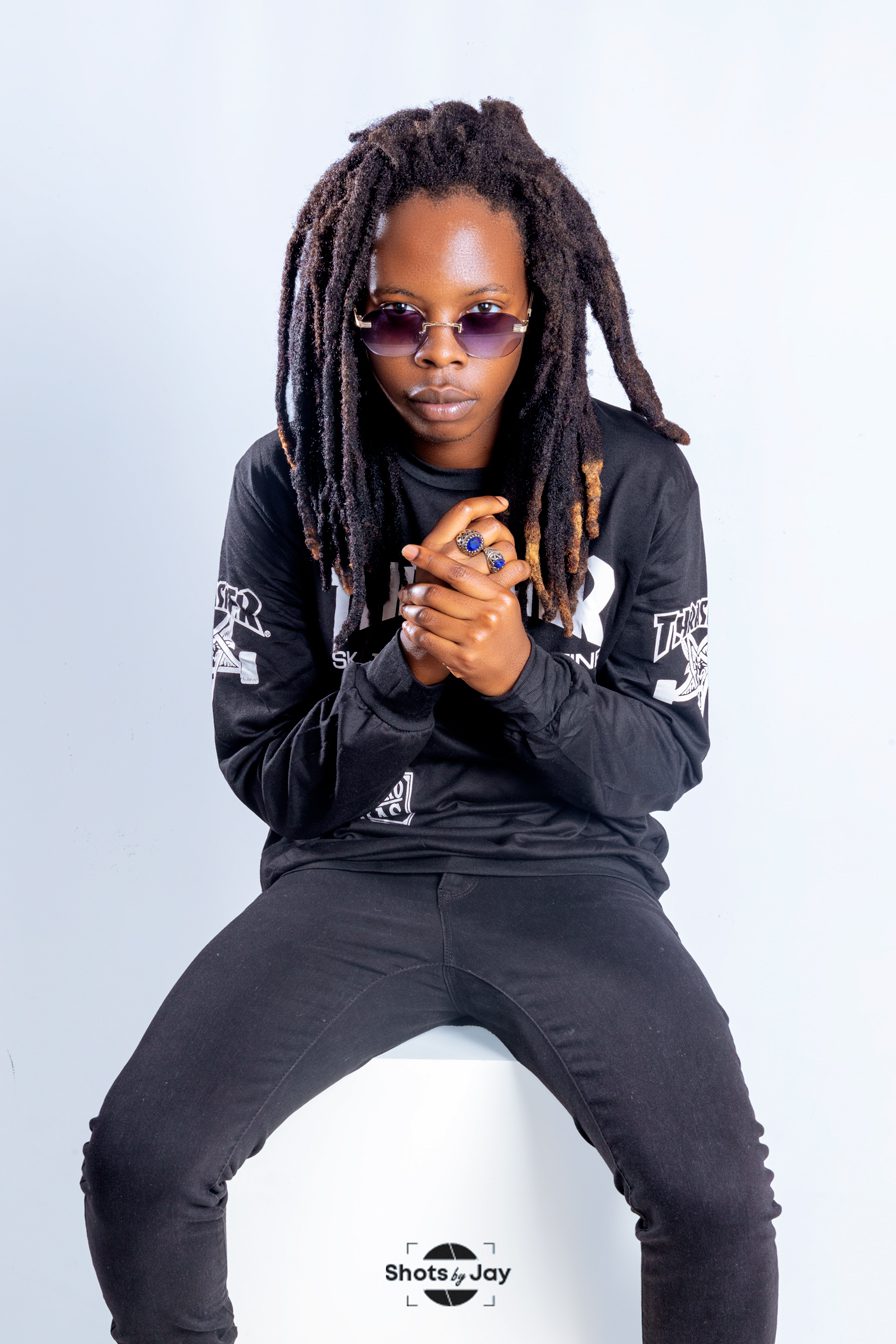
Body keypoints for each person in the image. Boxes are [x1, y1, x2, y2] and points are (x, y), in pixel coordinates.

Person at [79, 96, 781, 1343]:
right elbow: (270, 773)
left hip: (573, 882)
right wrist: (404, 667)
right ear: (348, 318)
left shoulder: (636, 482)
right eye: (396, 318)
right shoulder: (291, 481)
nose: (439, 355)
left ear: (537, 317)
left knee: (716, 1206)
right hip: (350, 879)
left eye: (482, 319)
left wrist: (514, 670)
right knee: (140, 1166)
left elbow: (661, 759)